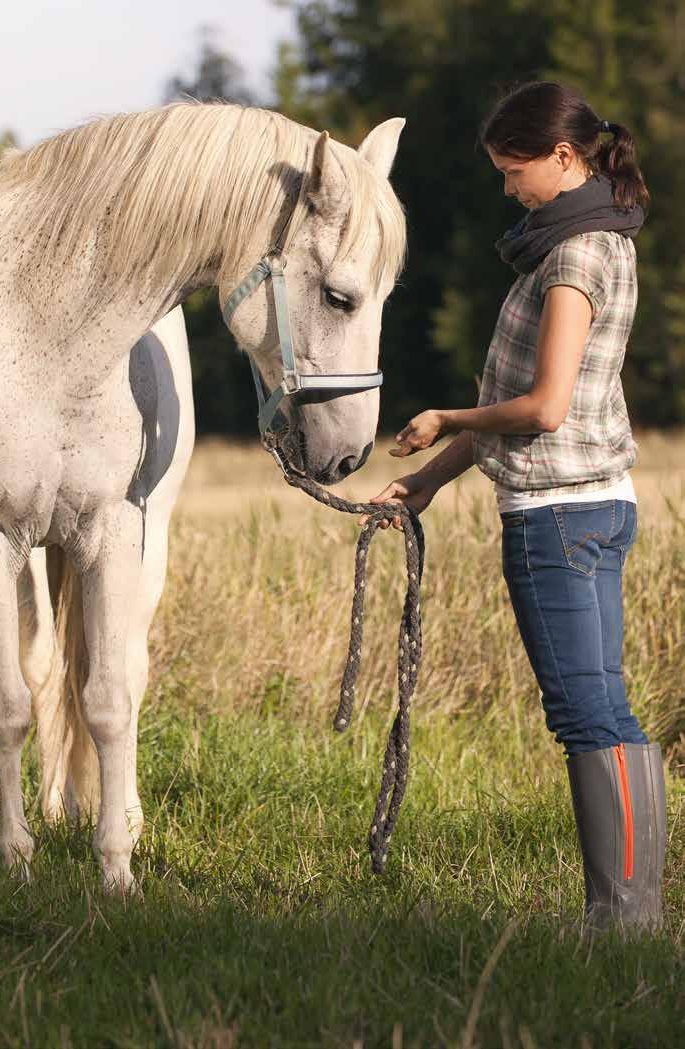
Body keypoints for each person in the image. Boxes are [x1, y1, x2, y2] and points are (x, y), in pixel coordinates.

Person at [365, 81, 666, 933]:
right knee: (607, 707)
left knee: (586, 714)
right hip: (599, 504)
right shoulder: (601, 238)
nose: (509, 188)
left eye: (514, 170)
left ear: (564, 157)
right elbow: (532, 403)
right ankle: (633, 911)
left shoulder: (570, 260)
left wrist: (446, 418)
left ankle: (619, 919)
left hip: (555, 519)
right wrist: (431, 478)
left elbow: (541, 407)